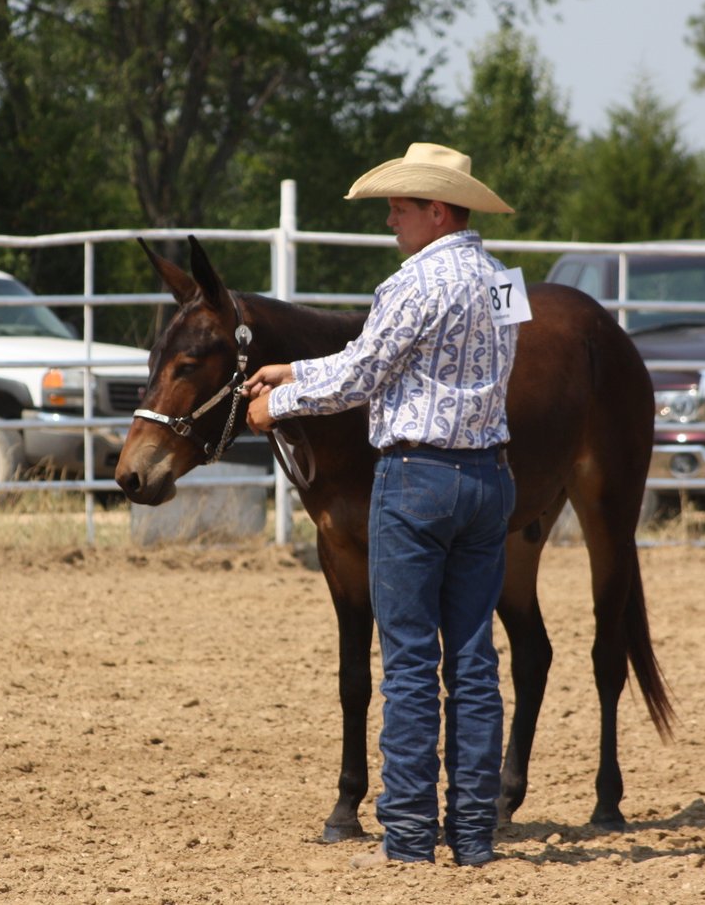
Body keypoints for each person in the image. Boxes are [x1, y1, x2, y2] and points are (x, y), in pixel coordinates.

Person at [244, 142, 520, 868]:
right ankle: (473, 833)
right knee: (471, 661)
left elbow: (366, 371)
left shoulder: (412, 284)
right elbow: (399, 359)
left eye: (401, 205)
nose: (392, 217)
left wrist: (280, 401)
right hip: (487, 478)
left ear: (438, 209)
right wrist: (298, 364)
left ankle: (405, 834)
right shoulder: (503, 283)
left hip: (416, 480)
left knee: (405, 663)